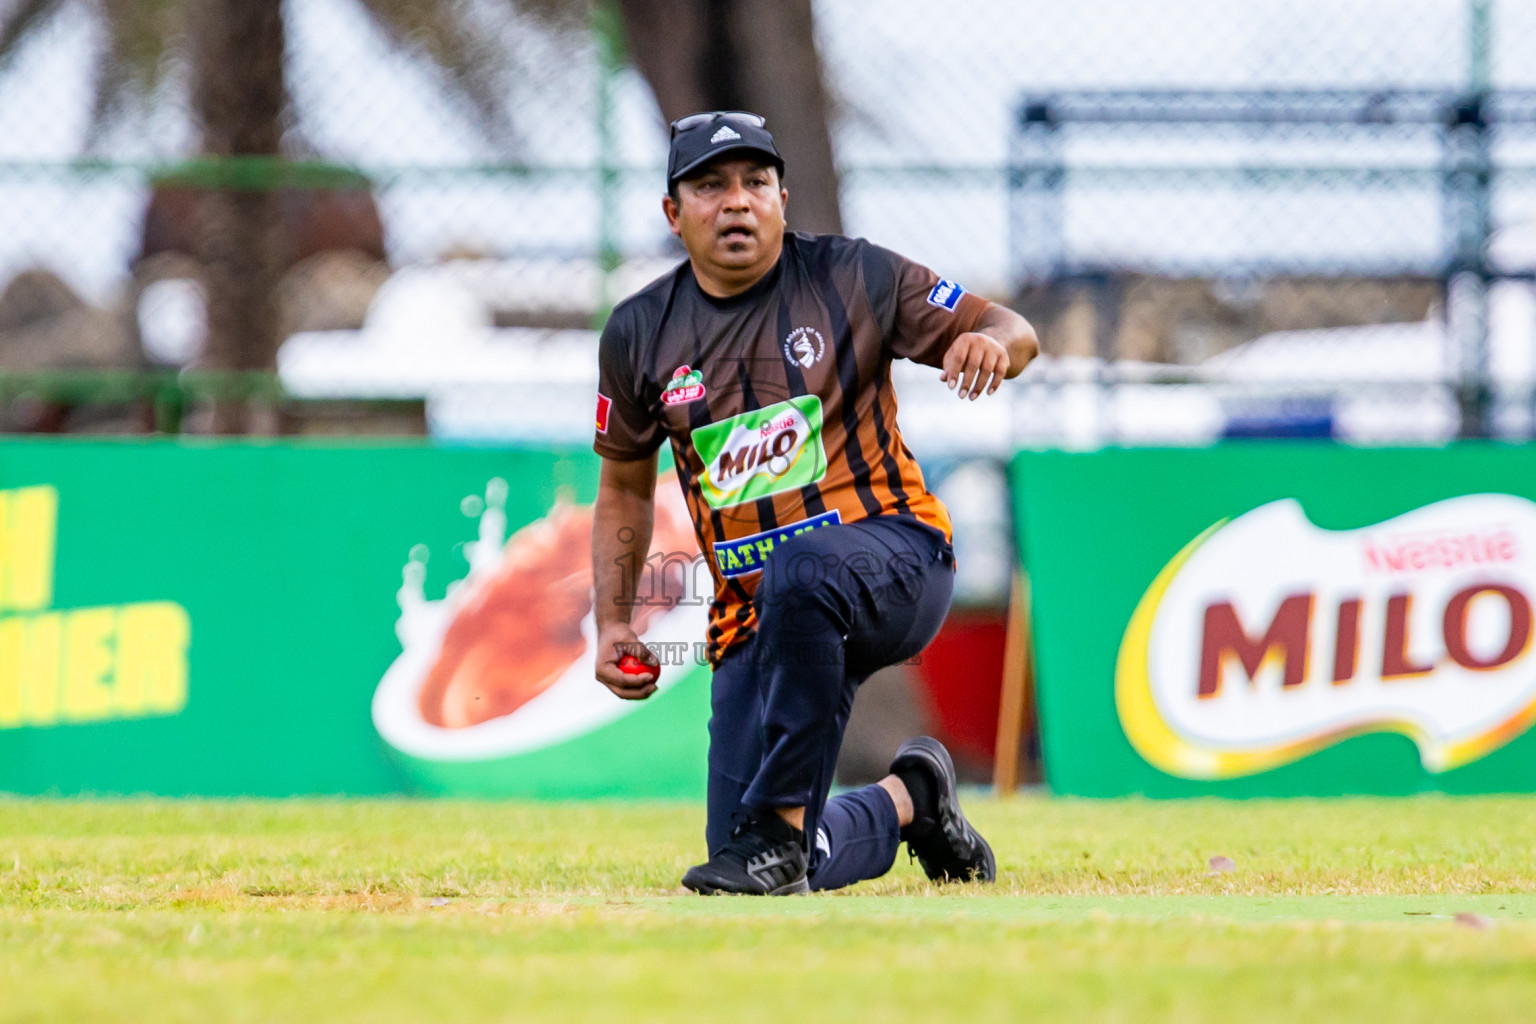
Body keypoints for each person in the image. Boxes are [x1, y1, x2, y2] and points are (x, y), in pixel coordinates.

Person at [590, 111, 1038, 895]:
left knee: (802, 568)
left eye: (755, 183)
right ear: (673, 213)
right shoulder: (639, 333)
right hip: (756, 615)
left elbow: (1011, 326)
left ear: (783, 199)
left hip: (896, 560)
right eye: (709, 186)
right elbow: (624, 484)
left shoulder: (854, 276)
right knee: (749, 858)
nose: (736, 202)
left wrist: (992, 344)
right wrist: (615, 623)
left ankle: (784, 827)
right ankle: (911, 801)